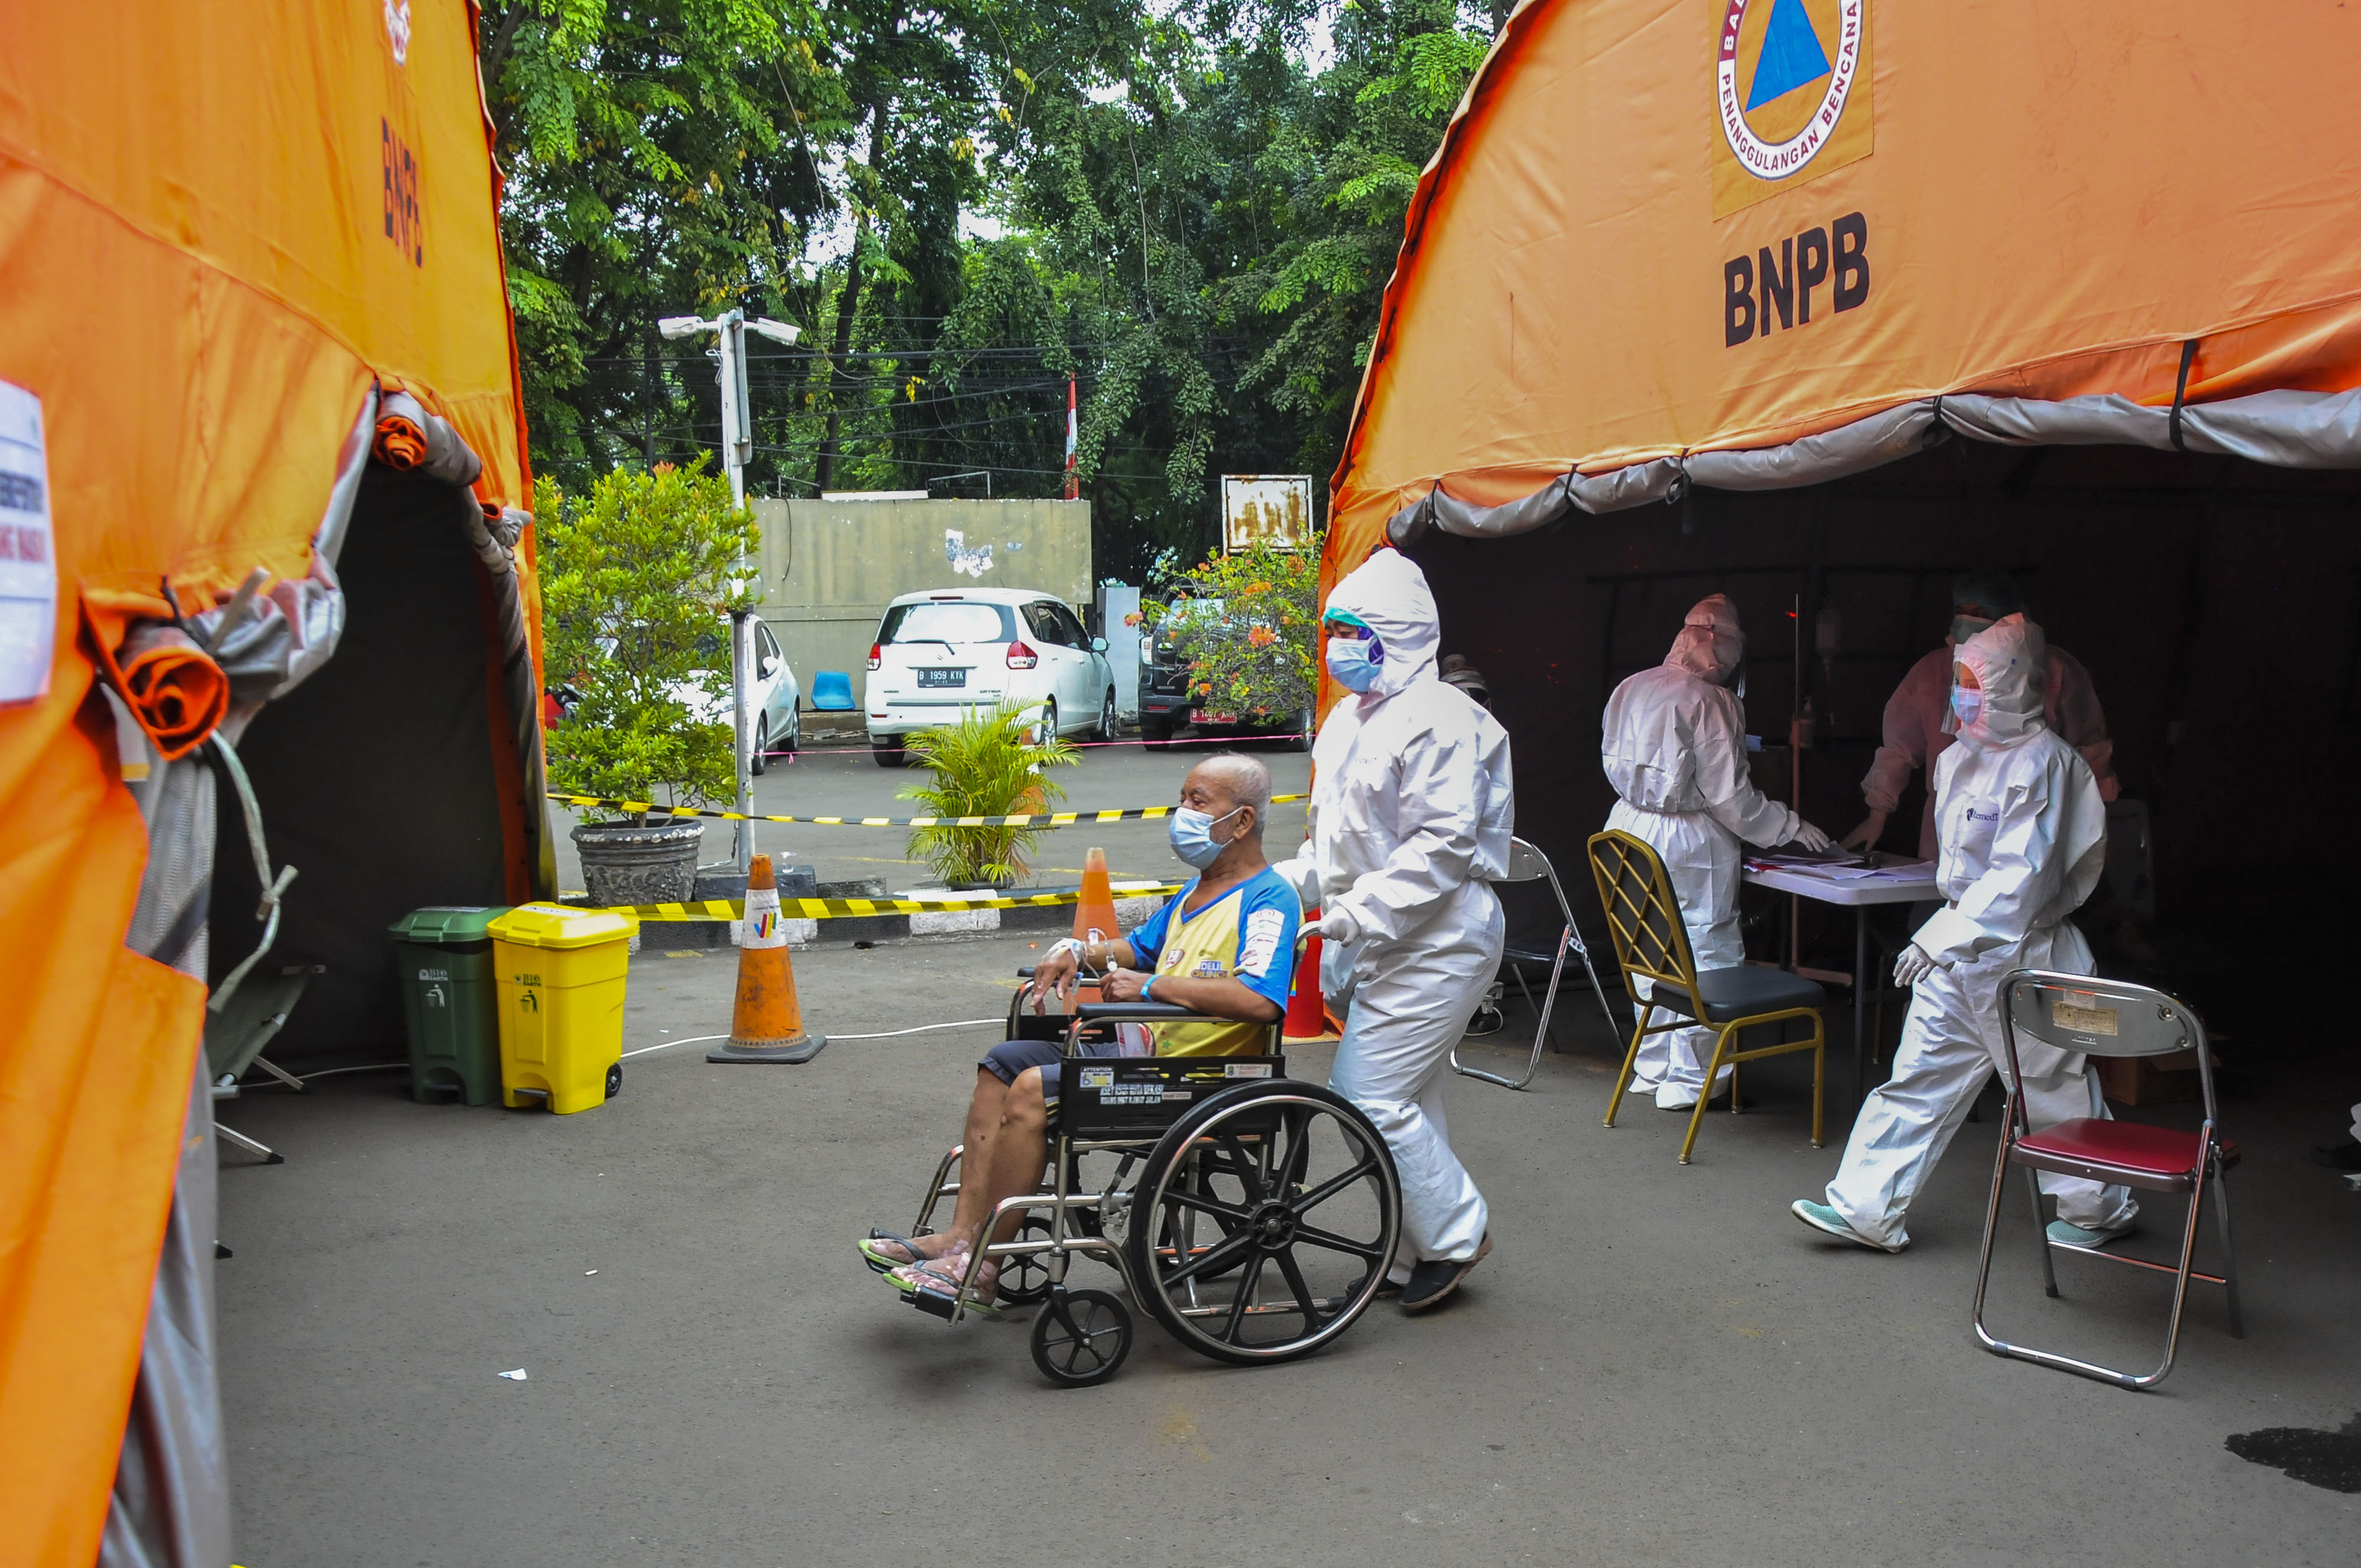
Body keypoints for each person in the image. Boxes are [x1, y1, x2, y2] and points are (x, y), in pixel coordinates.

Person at [858, 753, 1300, 1311]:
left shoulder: (1269, 898)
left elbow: (1260, 1000)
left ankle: (984, 1263)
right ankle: (960, 1236)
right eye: (1183, 798)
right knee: (1003, 1065)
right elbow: (1133, 949)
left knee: (1033, 1088)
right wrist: (1079, 951)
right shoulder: (1194, 894)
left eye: (1197, 801)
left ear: (1240, 822)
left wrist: (1150, 986)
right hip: (1149, 1057)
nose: (1181, 812)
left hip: (1203, 1079)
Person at [1794, 614, 2133, 1252]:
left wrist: (1939, 935)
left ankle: (2100, 1207)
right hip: (1957, 959)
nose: (1961, 696)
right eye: (1959, 681)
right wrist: (1944, 936)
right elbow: (1961, 867)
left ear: (2012, 685)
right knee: (1918, 1077)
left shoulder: (2048, 766)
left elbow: (2021, 877)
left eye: (1974, 683)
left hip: (2028, 954)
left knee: (2051, 1091)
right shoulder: (1958, 760)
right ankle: (1866, 1207)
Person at [1278, 548, 1512, 1312]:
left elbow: (1439, 848)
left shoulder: (1443, 718)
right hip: (1385, 936)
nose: (1338, 644)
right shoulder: (1346, 721)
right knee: (1411, 1095)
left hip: (1441, 936)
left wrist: (1351, 914)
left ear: (1400, 634)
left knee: (1366, 1094)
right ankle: (1415, 1254)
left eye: (1354, 630)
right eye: (1332, 630)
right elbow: (1335, 840)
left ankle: (1453, 1234)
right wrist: (1281, 889)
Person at [1601, 595, 1832, 1111]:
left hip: (1626, 823)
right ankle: (1694, 1077)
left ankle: (1653, 1065)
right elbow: (1731, 797)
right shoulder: (1712, 701)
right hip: (1688, 839)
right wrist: (1790, 826)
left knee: (1649, 949)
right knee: (1706, 951)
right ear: (1722, 646)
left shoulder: (1631, 686)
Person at [1840, 569, 2116, 859]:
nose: (1975, 699)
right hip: (1948, 838)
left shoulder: (2055, 689)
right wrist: (1877, 814)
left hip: (2031, 831)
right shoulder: (1948, 740)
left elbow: (2091, 757)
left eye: (1981, 612)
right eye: (1966, 683)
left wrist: (2088, 834)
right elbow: (1899, 747)